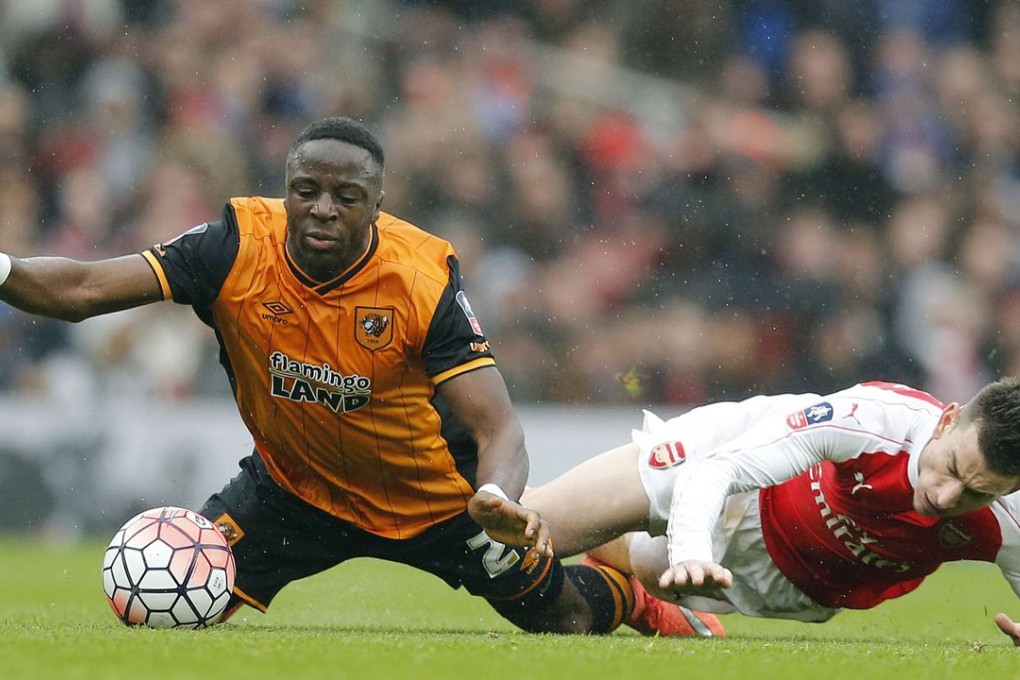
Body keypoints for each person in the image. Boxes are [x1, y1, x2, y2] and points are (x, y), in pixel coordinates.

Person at [0, 116, 719, 636]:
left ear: (377, 205)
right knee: (182, 608)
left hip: (436, 506)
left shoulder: (421, 277)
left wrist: (496, 497)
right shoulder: (233, 244)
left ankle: (634, 599)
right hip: (292, 492)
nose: (321, 209)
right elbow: (84, 290)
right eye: (306, 190)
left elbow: (497, 425)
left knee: (560, 620)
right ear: (287, 187)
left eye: (346, 197)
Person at [521, 378, 1020, 644]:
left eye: (978, 494)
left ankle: (642, 586)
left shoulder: (1011, 519)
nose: (947, 498)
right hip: (743, 468)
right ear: (947, 421)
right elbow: (717, 469)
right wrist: (690, 550)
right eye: (952, 466)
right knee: (531, 524)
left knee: (651, 568)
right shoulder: (874, 418)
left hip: (796, 582)